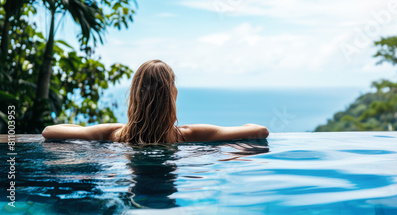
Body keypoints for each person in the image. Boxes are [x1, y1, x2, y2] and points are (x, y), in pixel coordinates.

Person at [42, 59, 269, 144]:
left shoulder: (115, 134)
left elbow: (49, 131)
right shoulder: (190, 135)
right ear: (172, 97)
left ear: (134, 97)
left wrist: (84, 129)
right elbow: (260, 131)